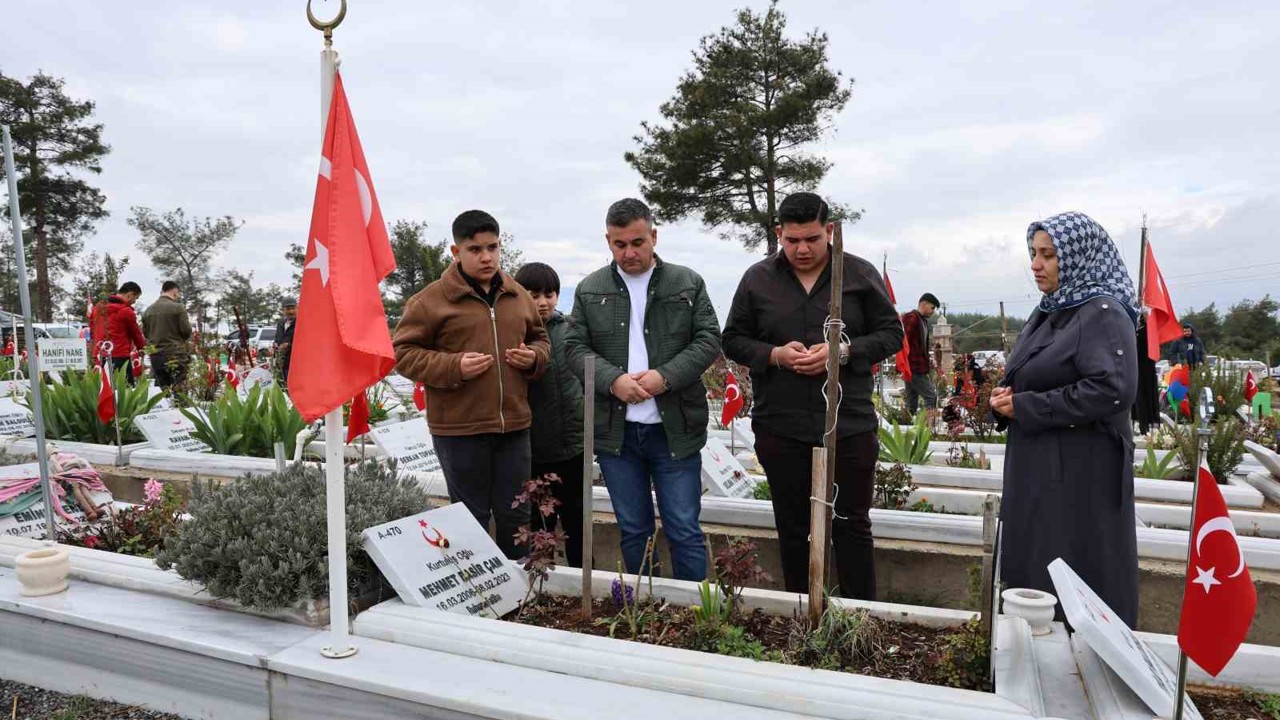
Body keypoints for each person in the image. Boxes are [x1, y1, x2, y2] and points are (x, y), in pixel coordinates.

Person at [722, 192, 902, 599]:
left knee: (851, 524)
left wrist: (844, 351)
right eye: (792, 240)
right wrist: (774, 355)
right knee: (792, 525)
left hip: (847, 424)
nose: (802, 249)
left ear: (830, 231)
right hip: (780, 425)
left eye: (813, 239)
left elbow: (892, 334)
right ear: (778, 234)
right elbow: (732, 339)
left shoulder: (857, 275)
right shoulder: (757, 279)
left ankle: (859, 615)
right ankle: (802, 612)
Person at [990, 211, 1140, 626]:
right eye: (1034, 254)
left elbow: (1113, 389)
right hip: (1040, 466)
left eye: (1049, 255)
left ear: (1078, 257)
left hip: (1080, 473)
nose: (1036, 264)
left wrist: (1028, 406)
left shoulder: (1103, 311)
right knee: (1036, 564)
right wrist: (1006, 398)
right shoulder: (1050, 311)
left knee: (1076, 567)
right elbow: (1031, 374)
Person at [563, 198, 721, 582]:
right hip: (617, 434)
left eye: (637, 242)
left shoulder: (687, 282)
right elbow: (572, 347)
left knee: (684, 528)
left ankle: (696, 616)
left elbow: (708, 339)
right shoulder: (590, 289)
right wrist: (613, 380)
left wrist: (664, 377)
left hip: (674, 430)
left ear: (653, 235)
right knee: (634, 530)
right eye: (619, 245)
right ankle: (645, 610)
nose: (629, 253)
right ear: (608, 241)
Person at [392, 210, 550, 559]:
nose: (486, 256)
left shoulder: (517, 294)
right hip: (459, 429)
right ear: (455, 251)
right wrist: (454, 366)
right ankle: (478, 593)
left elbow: (541, 338)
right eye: (475, 249)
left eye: (493, 247)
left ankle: (522, 588)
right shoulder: (429, 301)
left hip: (514, 426)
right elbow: (402, 354)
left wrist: (535, 358)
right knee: (469, 516)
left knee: (517, 512)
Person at [513, 261, 585, 568]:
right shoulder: (514, 332)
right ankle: (542, 578)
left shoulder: (572, 330)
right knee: (540, 520)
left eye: (550, 294)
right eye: (533, 294)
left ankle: (585, 574)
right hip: (533, 449)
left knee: (577, 519)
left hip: (573, 445)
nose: (542, 302)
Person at [141, 280, 193, 390]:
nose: (178, 297)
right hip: (175, 353)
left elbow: (146, 333)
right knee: (179, 389)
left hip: (156, 355)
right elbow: (186, 331)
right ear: (175, 291)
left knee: (161, 391)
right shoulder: (178, 308)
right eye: (178, 294)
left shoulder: (148, 311)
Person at [93, 281, 147, 386]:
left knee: (105, 388)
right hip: (120, 356)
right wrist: (142, 348)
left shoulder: (98, 309)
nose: (134, 301)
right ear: (129, 294)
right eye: (135, 298)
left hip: (101, 355)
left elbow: (93, 330)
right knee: (126, 389)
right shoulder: (126, 312)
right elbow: (136, 334)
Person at [901, 293, 940, 415]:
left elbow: (920, 346)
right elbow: (903, 342)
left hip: (916, 367)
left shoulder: (922, 320)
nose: (933, 311)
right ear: (924, 304)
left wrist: (927, 358)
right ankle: (930, 428)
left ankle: (907, 429)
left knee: (911, 402)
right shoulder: (911, 318)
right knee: (931, 396)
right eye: (932, 308)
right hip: (913, 368)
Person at [274, 298, 297, 383]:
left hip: (296, 363)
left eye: (293, 308)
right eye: (288, 309)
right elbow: (278, 338)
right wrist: (275, 344)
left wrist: (289, 345)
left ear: (297, 308)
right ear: (283, 310)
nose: (291, 311)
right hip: (282, 363)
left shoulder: (301, 323)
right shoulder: (280, 323)